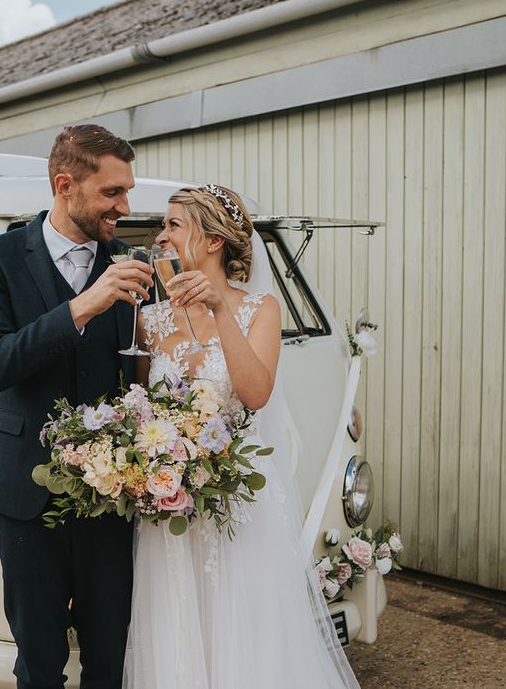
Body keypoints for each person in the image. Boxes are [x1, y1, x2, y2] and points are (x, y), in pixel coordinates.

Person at [125, 185, 360, 688]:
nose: (160, 235)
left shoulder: (261, 309)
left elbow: (255, 394)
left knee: (246, 635)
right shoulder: (149, 318)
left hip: (239, 500)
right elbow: (142, 405)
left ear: (212, 241)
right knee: (178, 625)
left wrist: (221, 311)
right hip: (170, 502)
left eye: (173, 224)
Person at [0, 124, 153, 689]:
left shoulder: (129, 259)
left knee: (108, 660)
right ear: (64, 184)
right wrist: (83, 306)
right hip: (23, 488)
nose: (125, 206)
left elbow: (140, 369)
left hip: (111, 494)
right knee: (40, 662)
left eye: (127, 191)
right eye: (112, 193)